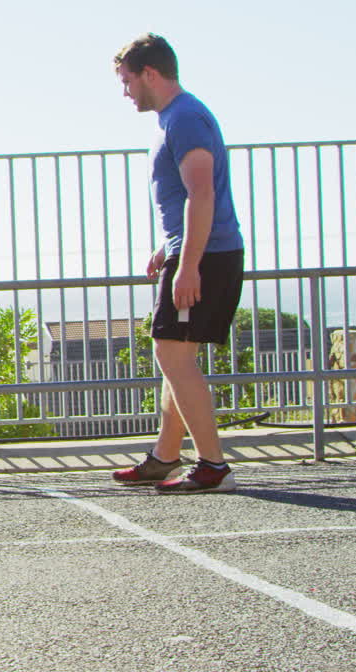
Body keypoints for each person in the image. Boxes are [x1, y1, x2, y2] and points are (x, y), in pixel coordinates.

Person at [110, 34, 245, 494]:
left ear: (150, 74)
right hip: (195, 250)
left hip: (206, 256)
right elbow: (188, 202)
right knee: (175, 354)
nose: (125, 91)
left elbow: (201, 193)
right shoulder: (175, 117)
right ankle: (165, 457)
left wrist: (187, 266)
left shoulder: (185, 117)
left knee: (171, 353)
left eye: (127, 81)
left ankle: (213, 466)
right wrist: (170, 248)